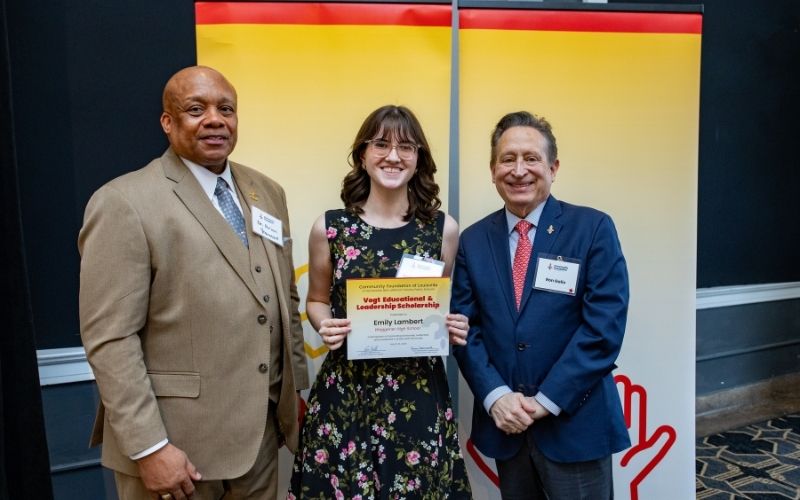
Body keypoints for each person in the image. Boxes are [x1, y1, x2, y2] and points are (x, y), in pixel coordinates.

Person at [78, 66, 309, 500]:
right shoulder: (124, 202)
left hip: (259, 442)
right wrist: (149, 448)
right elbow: (110, 339)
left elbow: (284, 300)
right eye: (195, 109)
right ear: (168, 123)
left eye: (226, 109)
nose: (215, 119)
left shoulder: (268, 192)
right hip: (176, 450)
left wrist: (292, 393)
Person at [287, 105, 472, 499]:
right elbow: (317, 300)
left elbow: (433, 310)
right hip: (348, 393)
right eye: (381, 144)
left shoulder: (443, 231)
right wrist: (324, 323)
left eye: (406, 146)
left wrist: (452, 325)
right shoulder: (330, 228)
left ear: (419, 157)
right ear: (362, 155)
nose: (393, 156)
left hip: (417, 394)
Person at [452, 111, 630, 499]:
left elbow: (604, 329)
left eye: (531, 158)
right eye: (508, 159)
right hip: (507, 425)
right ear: (492, 169)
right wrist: (496, 396)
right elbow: (464, 329)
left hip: (575, 424)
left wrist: (545, 402)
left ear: (553, 167)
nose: (519, 170)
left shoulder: (593, 228)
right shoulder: (473, 241)